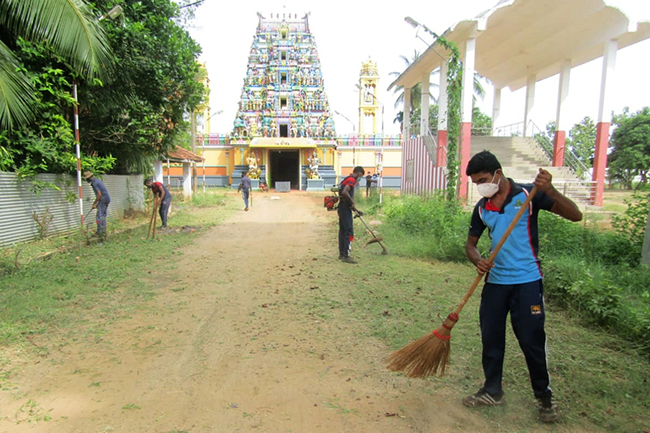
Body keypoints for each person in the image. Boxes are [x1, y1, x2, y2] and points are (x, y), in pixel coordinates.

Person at [463, 150, 582, 423]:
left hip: (527, 282)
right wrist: (478, 260)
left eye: (482, 179)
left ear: (497, 173)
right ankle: (493, 390)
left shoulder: (529, 196)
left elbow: (575, 215)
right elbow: (470, 245)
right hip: (495, 285)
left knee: (531, 342)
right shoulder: (482, 207)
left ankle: (544, 397)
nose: (480, 186)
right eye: (475, 183)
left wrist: (550, 189)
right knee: (491, 338)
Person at [338, 166, 365, 264]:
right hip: (345, 208)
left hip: (342, 207)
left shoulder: (345, 179)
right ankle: (346, 256)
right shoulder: (351, 180)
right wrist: (352, 203)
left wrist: (356, 210)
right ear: (359, 173)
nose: (360, 178)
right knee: (348, 231)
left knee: (343, 231)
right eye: (361, 176)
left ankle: (342, 254)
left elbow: (346, 196)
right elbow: (345, 192)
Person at [84, 171, 111, 237]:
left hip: (103, 199)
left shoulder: (94, 183)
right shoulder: (97, 181)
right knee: (103, 216)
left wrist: (94, 204)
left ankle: (99, 231)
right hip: (106, 199)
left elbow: (99, 195)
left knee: (99, 216)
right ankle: (103, 231)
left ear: (89, 178)